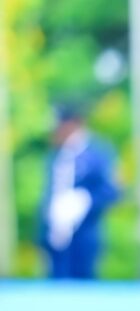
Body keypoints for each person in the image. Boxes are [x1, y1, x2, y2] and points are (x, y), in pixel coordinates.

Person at [40, 102, 121, 280]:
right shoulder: (57, 153)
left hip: (84, 232)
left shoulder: (99, 152)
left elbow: (113, 189)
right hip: (55, 234)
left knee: (82, 284)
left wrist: (85, 201)